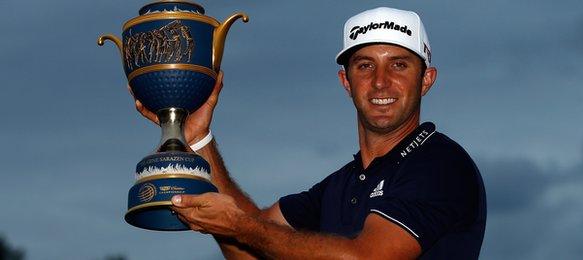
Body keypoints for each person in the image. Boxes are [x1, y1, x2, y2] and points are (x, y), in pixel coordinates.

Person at [134, 7, 486, 259]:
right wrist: (199, 140)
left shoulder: (440, 164)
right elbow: (254, 242)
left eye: (399, 65)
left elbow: (365, 258)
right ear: (345, 81)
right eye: (365, 66)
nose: (381, 82)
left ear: (426, 80)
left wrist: (240, 227)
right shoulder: (340, 186)